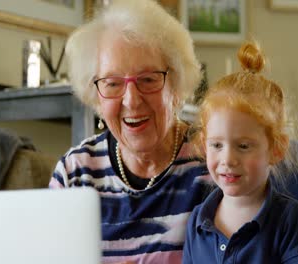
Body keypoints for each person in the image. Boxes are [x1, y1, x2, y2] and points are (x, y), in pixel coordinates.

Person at [48, 0, 212, 263]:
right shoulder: (75, 173)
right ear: (96, 97)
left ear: (177, 86)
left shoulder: (213, 163)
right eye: (113, 84)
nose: (132, 100)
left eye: (148, 79)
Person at [182, 41, 298, 263]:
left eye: (244, 146)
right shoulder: (197, 222)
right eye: (217, 145)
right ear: (203, 144)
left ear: (276, 149)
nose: (227, 159)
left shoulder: (290, 219)